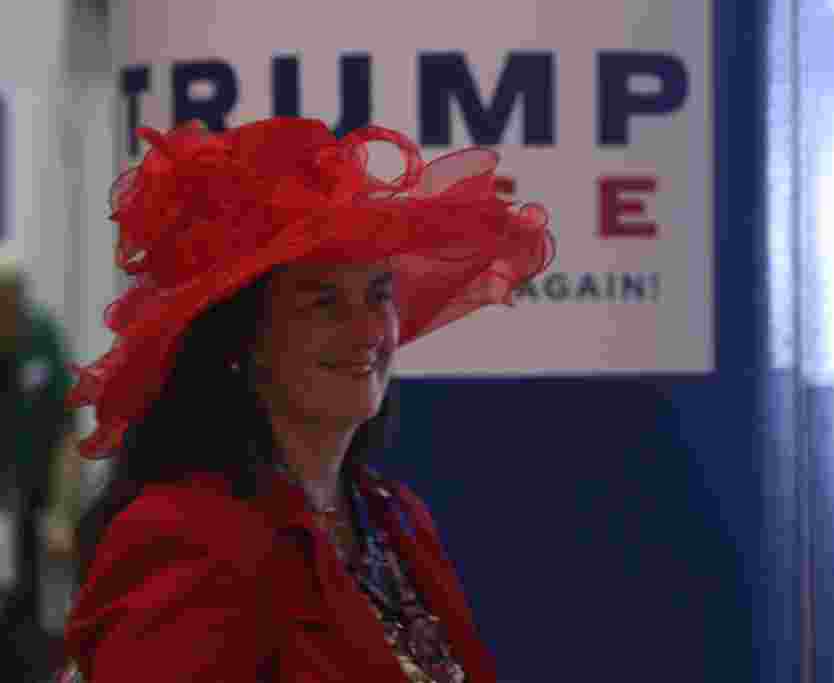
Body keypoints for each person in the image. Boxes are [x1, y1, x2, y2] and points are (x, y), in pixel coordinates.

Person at [58, 117, 553, 682]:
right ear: (244, 340)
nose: (367, 330)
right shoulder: (187, 537)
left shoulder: (395, 517)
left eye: (377, 295)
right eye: (323, 302)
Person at [0, 245, 76, 682]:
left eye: (15, 299)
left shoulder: (41, 339)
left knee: (39, 635)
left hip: (38, 519)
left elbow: (66, 435)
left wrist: (64, 513)